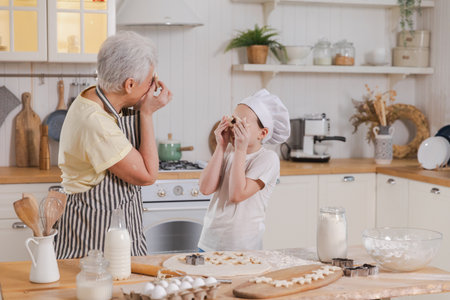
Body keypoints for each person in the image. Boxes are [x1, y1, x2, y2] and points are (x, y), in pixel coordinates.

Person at [55, 31, 172, 259]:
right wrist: (147, 113)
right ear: (129, 84)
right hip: (96, 232)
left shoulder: (96, 96)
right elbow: (148, 175)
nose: (152, 87)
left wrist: (142, 103)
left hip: (115, 224)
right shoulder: (95, 122)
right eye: (150, 81)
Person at [197, 89, 290, 251]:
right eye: (234, 121)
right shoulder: (228, 152)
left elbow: (237, 194)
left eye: (242, 123)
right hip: (209, 242)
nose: (235, 127)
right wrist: (221, 146)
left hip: (242, 247)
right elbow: (205, 188)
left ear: (263, 133)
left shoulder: (268, 159)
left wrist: (240, 149)